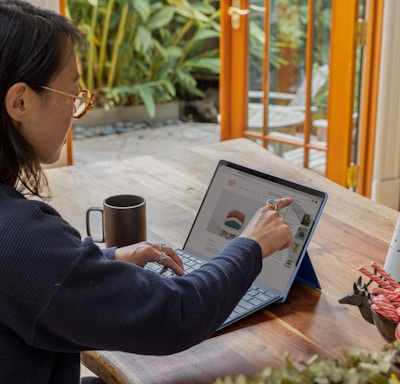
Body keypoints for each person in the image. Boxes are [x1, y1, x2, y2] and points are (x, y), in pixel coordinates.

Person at [0, 1, 294, 383]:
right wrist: (251, 244)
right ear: (19, 101)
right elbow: (174, 314)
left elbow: (31, 278)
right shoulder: (18, 234)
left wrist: (105, 260)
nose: (77, 106)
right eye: (73, 91)